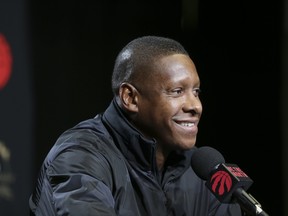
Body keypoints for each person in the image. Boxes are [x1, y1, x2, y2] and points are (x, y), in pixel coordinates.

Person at [29, 36, 243, 216]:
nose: (195, 106)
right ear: (130, 97)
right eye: (177, 91)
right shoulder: (80, 156)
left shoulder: (200, 172)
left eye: (196, 92)